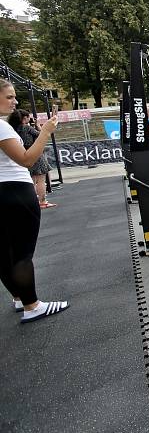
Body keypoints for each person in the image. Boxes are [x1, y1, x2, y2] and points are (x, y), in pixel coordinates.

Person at [0, 78, 69, 323]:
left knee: (5, 252)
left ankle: (20, 297)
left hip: (4, 192)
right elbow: (27, 159)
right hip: (16, 192)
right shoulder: (2, 127)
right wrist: (47, 132)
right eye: (9, 97)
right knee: (21, 253)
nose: (15, 101)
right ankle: (32, 305)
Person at [7, 109, 55, 208]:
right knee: (41, 180)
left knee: (31, 180)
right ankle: (42, 201)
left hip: (23, 153)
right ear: (24, 118)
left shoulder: (12, 129)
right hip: (35, 153)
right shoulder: (27, 128)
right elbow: (42, 136)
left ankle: (32, 202)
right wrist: (38, 126)